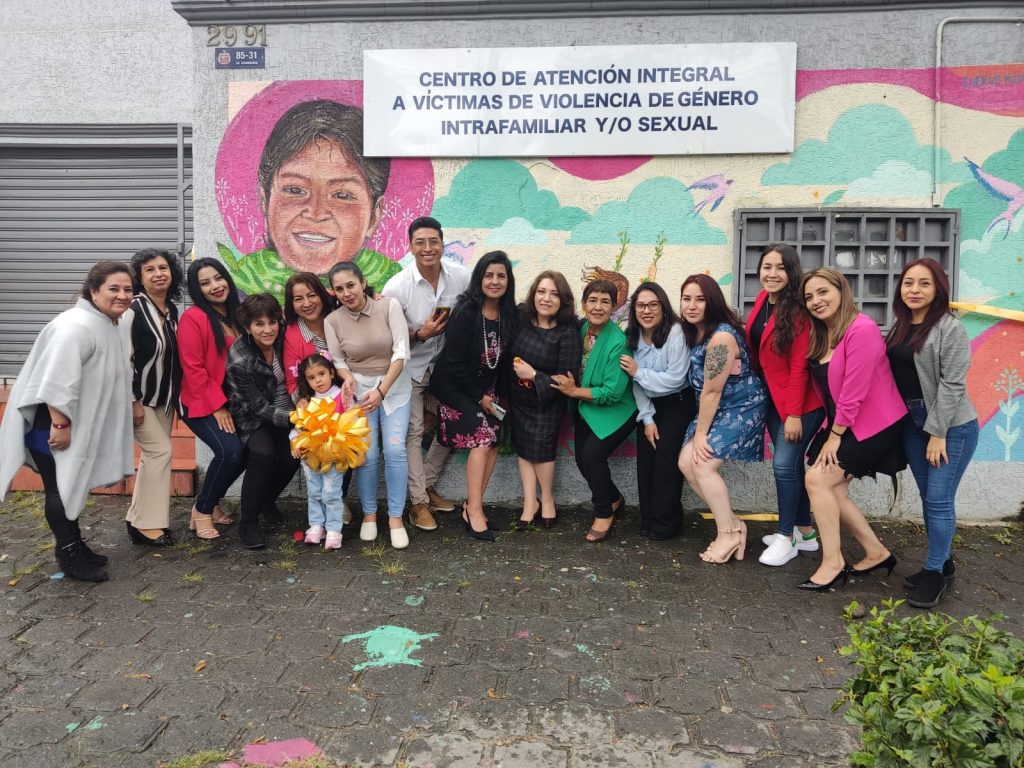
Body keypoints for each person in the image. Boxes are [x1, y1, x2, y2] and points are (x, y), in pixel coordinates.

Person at [0, 261, 135, 581]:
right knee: (60, 489)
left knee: (70, 485)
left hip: (69, 427)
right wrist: (61, 426)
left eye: (128, 289)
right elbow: (56, 382)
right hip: (54, 429)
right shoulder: (76, 326)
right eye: (113, 289)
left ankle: (74, 544)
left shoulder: (105, 322)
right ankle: (69, 554)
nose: (122, 295)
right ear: (93, 291)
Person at [800, 267, 906, 591]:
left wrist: (834, 437)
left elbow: (854, 392)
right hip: (845, 422)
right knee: (832, 488)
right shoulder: (823, 334)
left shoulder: (862, 329)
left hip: (875, 423)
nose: (816, 301)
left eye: (823, 292)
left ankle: (833, 562)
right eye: (809, 297)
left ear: (841, 291)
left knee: (817, 479)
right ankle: (876, 552)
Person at [235, 99, 400, 297]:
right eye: (295, 190)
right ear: (265, 200)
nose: (316, 213)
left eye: (342, 195)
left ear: (374, 216)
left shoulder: (395, 287)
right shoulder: (237, 286)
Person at [886, 258, 978, 609]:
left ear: (939, 288)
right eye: (909, 283)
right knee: (929, 498)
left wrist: (937, 432)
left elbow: (953, 384)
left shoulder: (949, 328)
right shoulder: (901, 325)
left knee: (939, 500)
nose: (915, 290)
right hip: (912, 423)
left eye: (924, 283)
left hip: (950, 426)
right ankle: (945, 562)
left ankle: (934, 573)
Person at [382, 216, 470, 532]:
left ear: (443, 243)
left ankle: (427, 485)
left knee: (456, 421)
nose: (428, 248)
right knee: (414, 432)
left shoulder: (460, 277)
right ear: (411, 246)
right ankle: (418, 502)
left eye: (434, 241)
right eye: (420, 242)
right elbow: (388, 337)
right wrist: (421, 333)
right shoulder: (397, 287)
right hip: (411, 369)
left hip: (445, 368)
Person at [744, 244, 826, 567]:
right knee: (790, 466)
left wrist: (793, 414)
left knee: (782, 465)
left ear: (792, 271)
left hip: (800, 402)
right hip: (773, 397)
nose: (772, 273)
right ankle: (805, 533)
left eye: (780, 267)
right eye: (767, 266)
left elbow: (799, 366)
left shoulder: (798, 310)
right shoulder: (765, 300)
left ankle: (785, 537)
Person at [677, 274, 766, 565]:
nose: (691, 305)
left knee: (702, 464)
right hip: (716, 407)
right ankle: (734, 524)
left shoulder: (722, 337)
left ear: (712, 301)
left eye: (700, 299)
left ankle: (727, 532)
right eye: (687, 298)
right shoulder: (697, 332)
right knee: (685, 463)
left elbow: (712, 391)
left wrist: (701, 435)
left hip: (741, 407)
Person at [430, 250, 517, 542]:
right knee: (483, 437)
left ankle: (471, 506)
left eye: (501, 276)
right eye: (488, 275)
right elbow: (453, 362)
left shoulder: (509, 314)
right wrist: (480, 398)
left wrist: (501, 399)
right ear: (479, 278)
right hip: (455, 387)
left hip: (485, 389)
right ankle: (476, 510)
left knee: (493, 437)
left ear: (508, 280)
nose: (495, 281)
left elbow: (503, 363)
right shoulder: (466, 311)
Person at [325, 262, 412, 549]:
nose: (346, 293)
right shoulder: (333, 320)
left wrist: (382, 390)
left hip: (394, 387)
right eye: (339, 289)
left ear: (362, 282)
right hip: (360, 394)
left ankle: (396, 518)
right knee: (368, 455)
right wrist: (347, 377)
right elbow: (337, 360)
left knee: (396, 449)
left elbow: (401, 352)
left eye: (350, 285)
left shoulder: (389, 307)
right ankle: (370, 515)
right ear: (334, 292)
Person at [552, 280, 636, 543]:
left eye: (605, 302)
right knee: (582, 459)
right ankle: (613, 499)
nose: (598, 307)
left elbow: (612, 392)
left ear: (614, 307)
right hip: (587, 407)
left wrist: (573, 391)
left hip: (617, 410)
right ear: (584, 302)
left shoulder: (618, 342)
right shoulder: (580, 329)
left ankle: (603, 513)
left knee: (590, 458)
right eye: (593, 300)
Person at [620, 282, 695, 541]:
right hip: (649, 404)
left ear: (663, 306)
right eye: (641, 305)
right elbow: (635, 384)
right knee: (647, 462)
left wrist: (639, 372)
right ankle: (649, 520)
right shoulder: (631, 336)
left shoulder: (676, 333)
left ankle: (668, 523)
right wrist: (648, 418)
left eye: (653, 305)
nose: (647, 311)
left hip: (677, 401)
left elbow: (675, 378)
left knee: (666, 462)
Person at [226, 293, 301, 550]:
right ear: (248, 327)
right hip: (253, 417)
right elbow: (256, 407)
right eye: (259, 324)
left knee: (292, 458)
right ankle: (248, 523)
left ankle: (266, 499)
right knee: (263, 456)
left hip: (284, 410)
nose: (268, 329)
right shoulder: (240, 359)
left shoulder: (283, 340)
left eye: (272, 322)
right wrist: (293, 418)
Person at [508, 271, 583, 529]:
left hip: (548, 403)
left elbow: (566, 379)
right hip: (519, 400)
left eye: (553, 294)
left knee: (542, 451)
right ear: (533, 294)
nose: (546, 298)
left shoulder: (568, 333)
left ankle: (548, 499)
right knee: (525, 451)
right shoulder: (521, 319)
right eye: (541, 292)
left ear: (563, 300)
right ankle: (530, 502)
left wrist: (535, 375)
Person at [179, 258, 244, 540]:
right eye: (205, 283)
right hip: (199, 401)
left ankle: (211, 501)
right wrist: (217, 407)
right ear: (197, 289)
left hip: (231, 402)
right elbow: (193, 368)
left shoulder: (237, 315)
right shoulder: (194, 318)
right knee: (229, 452)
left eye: (218, 278)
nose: (215, 286)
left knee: (242, 453)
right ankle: (202, 510)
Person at [281, 271, 352, 524]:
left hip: (346, 396)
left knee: (347, 440)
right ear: (291, 304)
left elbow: (361, 293)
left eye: (312, 295)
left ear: (322, 295)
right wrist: (300, 399)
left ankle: (339, 498)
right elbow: (292, 379)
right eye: (298, 299)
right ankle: (322, 507)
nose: (307, 303)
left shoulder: (338, 317)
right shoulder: (290, 334)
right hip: (315, 404)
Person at [125, 249, 184, 547]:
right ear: (139, 277)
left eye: (163, 267)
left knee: (153, 458)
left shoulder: (171, 310)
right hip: (140, 400)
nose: (158, 273)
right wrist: (133, 401)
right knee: (160, 453)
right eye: (150, 269)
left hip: (164, 399)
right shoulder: (134, 310)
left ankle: (137, 519)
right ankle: (149, 526)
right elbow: (124, 360)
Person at [291, 354, 350, 551]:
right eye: (312, 377)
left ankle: (334, 529)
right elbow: (298, 428)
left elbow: (353, 422)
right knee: (314, 492)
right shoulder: (307, 402)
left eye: (322, 374)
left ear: (332, 373)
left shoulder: (342, 396)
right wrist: (295, 443)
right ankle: (316, 525)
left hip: (333, 456)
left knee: (331, 492)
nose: (318, 380)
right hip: (311, 457)